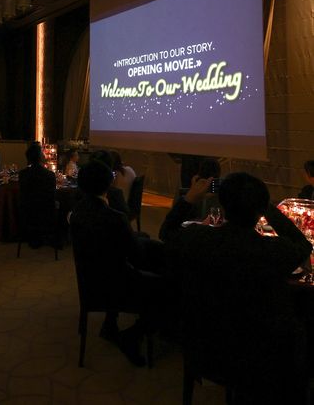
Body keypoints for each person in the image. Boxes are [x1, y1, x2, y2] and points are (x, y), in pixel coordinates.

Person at [160, 172, 312, 404]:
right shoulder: (273, 251)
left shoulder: (197, 238)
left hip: (202, 345)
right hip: (256, 357)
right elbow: (302, 245)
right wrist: (268, 208)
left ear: (222, 204)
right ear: (260, 210)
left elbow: (166, 232)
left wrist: (189, 198)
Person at [69, 160, 165, 367]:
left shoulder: (76, 213)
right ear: (108, 185)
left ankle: (110, 325)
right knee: (165, 287)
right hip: (117, 286)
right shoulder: (115, 218)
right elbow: (137, 257)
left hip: (90, 285)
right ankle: (132, 335)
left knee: (115, 262)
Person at [18, 142, 57, 248]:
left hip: (27, 212)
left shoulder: (22, 174)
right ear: (40, 157)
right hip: (46, 213)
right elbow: (52, 195)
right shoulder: (50, 175)